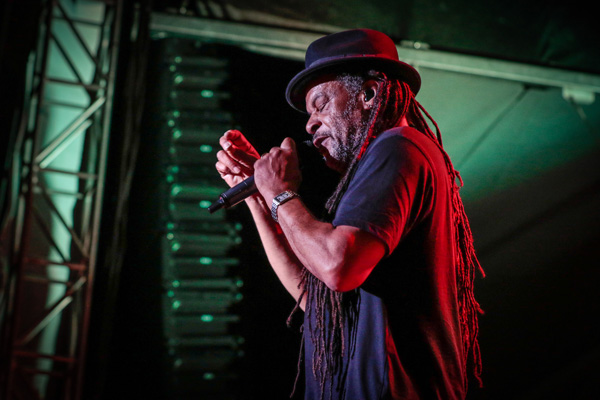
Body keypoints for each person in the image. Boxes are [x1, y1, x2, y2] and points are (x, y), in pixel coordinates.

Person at [215, 29, 484, 400]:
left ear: (369, 95)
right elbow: (315, 297)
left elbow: (337, 268)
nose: (309, 124)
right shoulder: (379, 164)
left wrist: (280, 193)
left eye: (321, 104)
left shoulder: (399, 146)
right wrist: (260, 198)